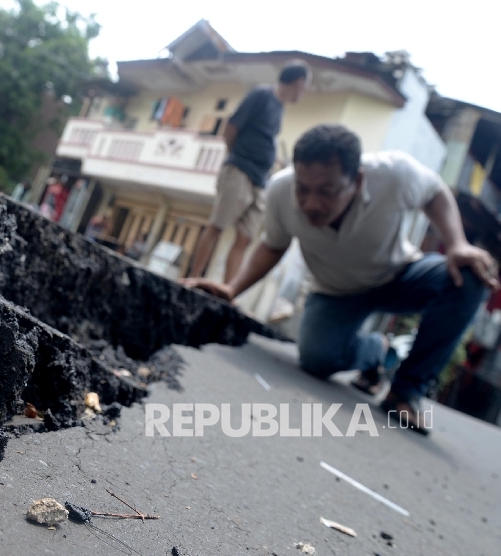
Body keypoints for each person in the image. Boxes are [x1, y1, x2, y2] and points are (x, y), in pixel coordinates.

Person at [181, 124, 498, 435]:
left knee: (471, 275)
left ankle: (405, 392)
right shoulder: (281, 190)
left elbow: (436, 192)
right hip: (336, 291)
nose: (311, 204)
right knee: (317, 359)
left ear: (357, 180)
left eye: (327, 192)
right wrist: (232, 288)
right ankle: (376, 350)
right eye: (303, 190)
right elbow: (272, 245)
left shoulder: (393, 173)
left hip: (399, 276)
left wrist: (456, 243)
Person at [187, 60, 311, 282]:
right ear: (299, 82)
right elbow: (231, 128)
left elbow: (264, 138)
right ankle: (194, 276)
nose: (304, 92)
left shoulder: (280, 108)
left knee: (244, 238)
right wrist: (237, 158)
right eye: (305, 86)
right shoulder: (262, 94)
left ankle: (228, 290)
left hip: (260, 180)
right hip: (240, 170)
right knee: (218, 225)